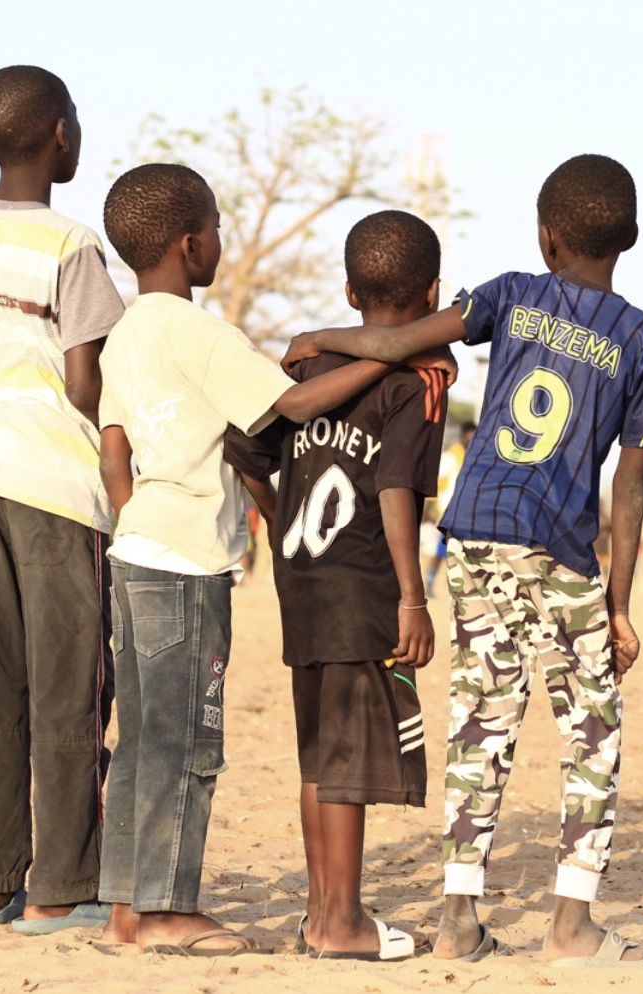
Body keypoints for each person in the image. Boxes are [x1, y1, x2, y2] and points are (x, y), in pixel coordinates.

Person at [281, 154, 643, 967]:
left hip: (477, 532)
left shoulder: (511, 293)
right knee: (590, 733)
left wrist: (321, 336)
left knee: (480, 726)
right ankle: (572, 925)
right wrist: (620, 604)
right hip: (561, 547)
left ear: (546, 236)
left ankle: (460, 919)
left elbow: (393, 342)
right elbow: (630, 482)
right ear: (630, 238)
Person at [95, 166, 430, 956]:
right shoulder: (201, 334)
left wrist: (132, 524)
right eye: (215, 224)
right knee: (185, 742)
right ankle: (168, 911)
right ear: (191, 243)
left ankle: (124, 912)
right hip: (185, 564)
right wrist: (391, 358)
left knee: (141, 738)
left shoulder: (126, 335)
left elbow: (114, 453)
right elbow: (298, 404)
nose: (220, 236)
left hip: (134, 552)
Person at [0, 66, 123, 933]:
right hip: (57, 485)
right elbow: (87, 385)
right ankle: (58, 888)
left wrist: (4, 379)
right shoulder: (71, 244)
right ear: (60, 135)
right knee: (69, 682)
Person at [226, 210, 448, 961]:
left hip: (302, 582)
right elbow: (395, 489)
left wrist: (280, 517)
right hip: (360, 589)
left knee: (319, 759)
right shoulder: (416, 382)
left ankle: (321, 914)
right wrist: (412, 596)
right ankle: (341, 921)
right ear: (434, 294)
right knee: (347, 765)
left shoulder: (306, 369)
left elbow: (247, 451)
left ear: (349, 295)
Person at [424, 421, 477, 595]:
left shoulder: (471, 456)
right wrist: (431, 508)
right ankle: (430, 582)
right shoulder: (452, 456)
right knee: (441, 551)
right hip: (447, 510)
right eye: (470, 434)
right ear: (464, 434)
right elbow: (436, 480)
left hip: (463, 513)